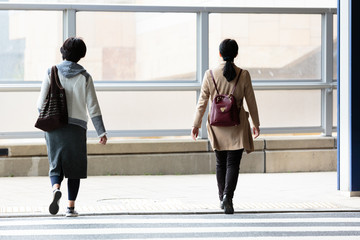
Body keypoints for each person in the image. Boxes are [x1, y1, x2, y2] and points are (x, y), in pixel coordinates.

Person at [37, 37, 107, 217]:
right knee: (74, 168)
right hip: (76, 128)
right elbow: (93, 106)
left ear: (63, 51)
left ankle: (55, 189)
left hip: (54, 126)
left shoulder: (50, 72)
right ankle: (70, 208)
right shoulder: (85, 76)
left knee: (56, 164)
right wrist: (101, 131)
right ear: (81, 55)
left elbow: (40, 104)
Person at [191, 39, 260, 214]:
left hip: (216, 125)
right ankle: (228, 197)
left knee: (220, 163)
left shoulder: (210, 74)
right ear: (236, 54)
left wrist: (196, 125)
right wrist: (256, 123)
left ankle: (222, 197)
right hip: (237, 125)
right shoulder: (243, 74)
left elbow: (202, 102)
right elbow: (251, 101)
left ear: (220, 54)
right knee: (233, 164)